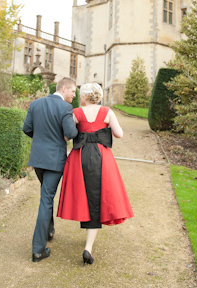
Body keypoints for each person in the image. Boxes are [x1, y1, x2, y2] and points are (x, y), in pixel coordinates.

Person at [57, 82, 134, 265]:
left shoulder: (76, 112)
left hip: (81, 157)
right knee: (99, 197)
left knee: (84, 196)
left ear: (84, 96)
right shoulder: (107, 112)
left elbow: (67, 136)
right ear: (98, 96)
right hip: (102, 157)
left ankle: (88, 244)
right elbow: (119, 134)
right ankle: (88, 247)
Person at [22, 77, 79, 262]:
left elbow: (27, 129)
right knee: (46, 199)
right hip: (54, 161)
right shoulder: (65, 108)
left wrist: (40, 139)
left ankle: (49, 231)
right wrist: (75, 125)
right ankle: (38, 250)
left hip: (38, 159)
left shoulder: (35, 104)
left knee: (46, 194)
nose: (74, 95)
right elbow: (70, 134)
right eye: (73, 91)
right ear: (63, 89)